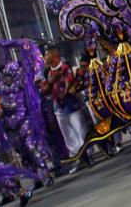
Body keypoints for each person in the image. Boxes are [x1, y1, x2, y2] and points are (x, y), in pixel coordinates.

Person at [40, 45, 90, 173]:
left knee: (80, 130)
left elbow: (70, 82)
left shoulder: (65, 67)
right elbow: (45, 89)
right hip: (59, 108)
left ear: (54, 53)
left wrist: (65, 92)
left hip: (71, 105)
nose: (45, 57)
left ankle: (86, 155)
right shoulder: (48, 72)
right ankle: (76, 158)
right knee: (68, 135)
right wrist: (50, 83)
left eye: (47, 54)